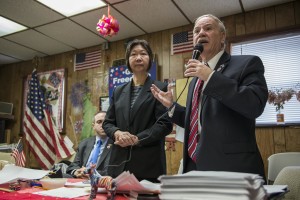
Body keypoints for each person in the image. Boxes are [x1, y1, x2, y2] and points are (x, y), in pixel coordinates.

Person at [151, 14, 268, 180]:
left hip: (234, 170)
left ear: (222, 37)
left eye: (208, 28)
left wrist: (211, 77)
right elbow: (195, 121)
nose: (201, 33)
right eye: (197, 30)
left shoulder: (247, 63)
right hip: (195, 168)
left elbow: (254, 104)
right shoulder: (195, 81)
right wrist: (171, 106)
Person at [103, 39, 173, 182]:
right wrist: (117, 133)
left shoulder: (161, 88)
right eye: (133, 54)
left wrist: (136, 139)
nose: (138, 58)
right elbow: (107, 123)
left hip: (147, 165)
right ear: (128, 60)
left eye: (143, 53)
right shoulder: (118, 91)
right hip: (118, 165)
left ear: (150, 59)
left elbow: (164, 124)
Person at [66, 111, 113, 178]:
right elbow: (73, 165)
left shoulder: (116, 145)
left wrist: (89, 172)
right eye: (99, 122)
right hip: (81, 180)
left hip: (101, 181)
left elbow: (113, 171)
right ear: (93, 126)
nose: (103, 125)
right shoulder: (84, 143)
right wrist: (77, 172)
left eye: (106, 122)